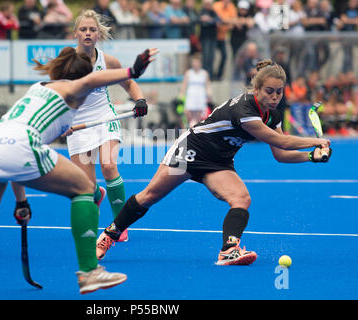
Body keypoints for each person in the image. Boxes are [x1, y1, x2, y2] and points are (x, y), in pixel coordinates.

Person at [0, 46, 159, 298]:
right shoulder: (71, 89)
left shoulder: (38, 89)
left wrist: (21, 200)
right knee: (86, 190)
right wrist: (131, 71)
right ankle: (89, 272)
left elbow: (15, 157)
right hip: (21, 145)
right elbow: (93, 80)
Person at [95, 59, 332, 266]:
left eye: (279, 92)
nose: (275, 97)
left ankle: (228, 251)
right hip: (191, 151)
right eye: (269, 91)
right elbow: (279, 141)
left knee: (241, 198)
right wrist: (315, 141)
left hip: (219, 161)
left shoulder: (273, 115)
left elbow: (280, 154)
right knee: (149, 196)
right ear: (257, 88)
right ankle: (109, 234)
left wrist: (311, 156)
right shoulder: (245, 109)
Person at [65, 9, 149, 243]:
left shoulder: (108, 61)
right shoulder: (67, 63)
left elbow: (130, 84)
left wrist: (139, 99)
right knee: (85, 186)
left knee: (109, 165)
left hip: (104, 117)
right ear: (76, 33)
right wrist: (60, 123)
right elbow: (58, 96)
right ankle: (96, 194)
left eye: (92, 29)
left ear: (98, 34)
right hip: (77, 124)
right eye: (83, 29)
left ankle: (119, 224)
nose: (88, 33)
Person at [179, 54, 212, 128]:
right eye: (194, 63)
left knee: (199, 117)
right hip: (191, 95)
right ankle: (189, 128)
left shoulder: (204, 73)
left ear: (200, 63)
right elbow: (184, 85)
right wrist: (181, 95)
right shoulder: (188, 73)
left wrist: (209, 95)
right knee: (188, 115)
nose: (195, 64)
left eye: (197, 62)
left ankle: (196, 130)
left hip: (200, 96)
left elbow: (208, 86)